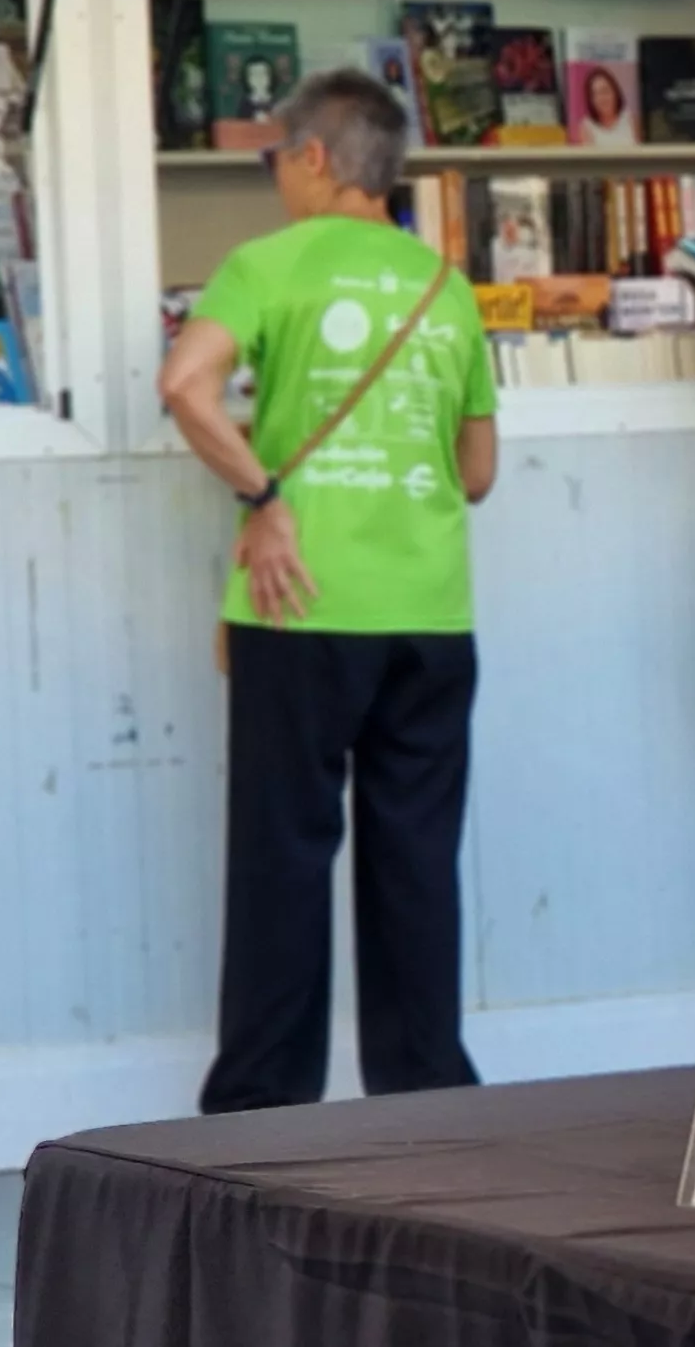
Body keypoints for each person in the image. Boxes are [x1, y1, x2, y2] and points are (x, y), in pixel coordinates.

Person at [159, 68, 499, 1114]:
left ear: (314, 158)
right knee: (416, 861)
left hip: (298, 603)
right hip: (429, 613)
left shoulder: (266, 265)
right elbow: (477, 471)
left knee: (284, 856)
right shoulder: (446, 286)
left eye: (278, 156)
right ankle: (426, 1100)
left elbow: (184, 385)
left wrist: (264, 495)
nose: (276, 176)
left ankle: (262, 1113)